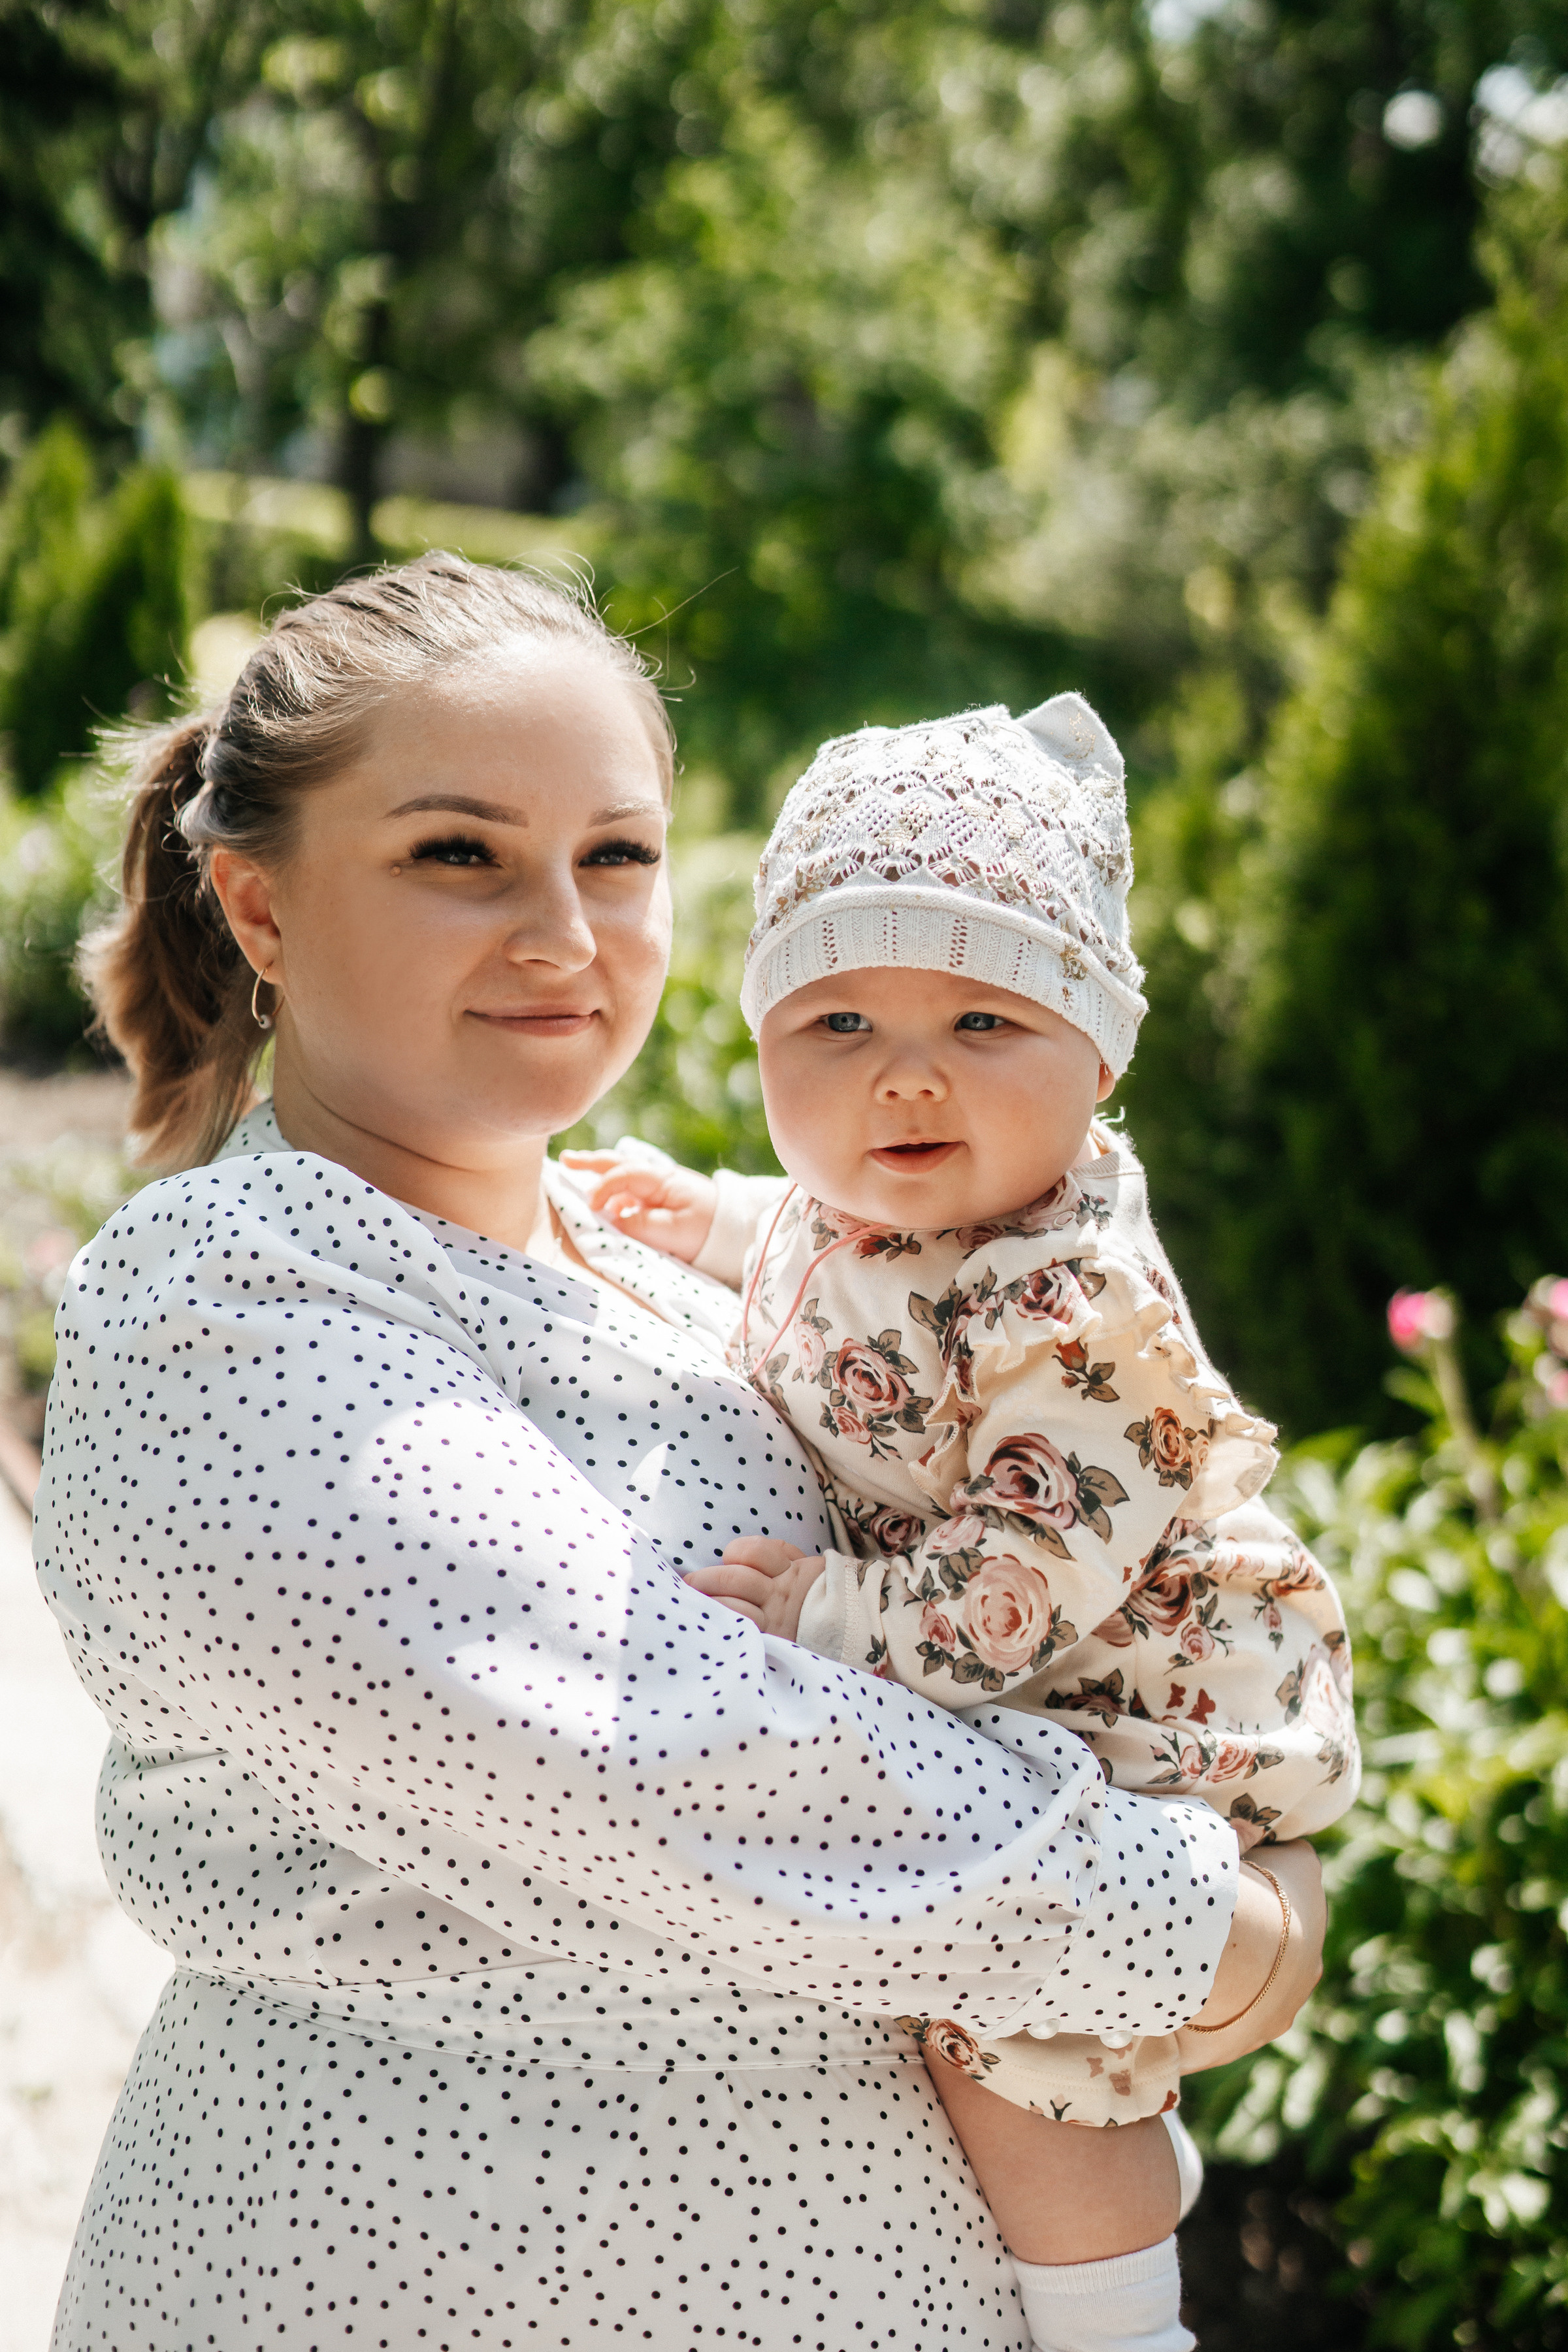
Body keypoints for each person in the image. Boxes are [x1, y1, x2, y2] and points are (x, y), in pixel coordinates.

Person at [34, 557, 1323, 2352]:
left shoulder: (689, 1261)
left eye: (618, 855)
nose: (565, 934)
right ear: (257, 905)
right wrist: (1223, 1929)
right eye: (461, 853)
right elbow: (676, 1758)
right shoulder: (223, 1306)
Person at [576, 693, 1358, 2352]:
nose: (905, 1073)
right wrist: (715, 1221)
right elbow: (839, 1261)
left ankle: (1121, 2319)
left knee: (1017, 2046)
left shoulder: (1078, 1311)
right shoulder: (882, 1202)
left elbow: (1025, 1577)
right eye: (839, 1020)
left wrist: (829, 1616)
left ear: (1102, 1054)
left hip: (1133, 1693)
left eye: (986, 1019)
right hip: (1025, 1656)